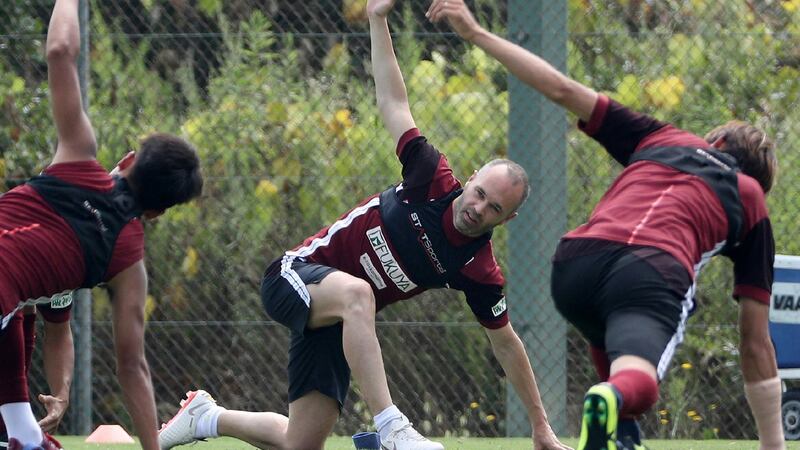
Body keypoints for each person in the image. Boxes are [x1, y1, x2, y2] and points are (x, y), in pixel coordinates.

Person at [158, 1, 570, 449]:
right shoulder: (429, 175)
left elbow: (506, 344)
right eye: (480, 193)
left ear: (507, 220)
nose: (478, 207)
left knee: (301, 443)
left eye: (493, 208)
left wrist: (540, 426)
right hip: (292, 277)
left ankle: (207, 416)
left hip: (338, 321)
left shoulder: (478, 269)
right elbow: (393, 100)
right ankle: (392, 427)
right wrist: (377, 18)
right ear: (470, 180)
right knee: (359, 292)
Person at [426, 1, 783, 449]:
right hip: (650, 270)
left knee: (611, 328)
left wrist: (475, 32)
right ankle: (613, 399)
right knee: (640, 379)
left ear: (716, 141)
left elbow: (558, 88)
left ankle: (623, 434)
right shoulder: (749, 199)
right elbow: (754, 343)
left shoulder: (663, 137)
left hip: (576, 263)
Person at [0, 0, 204, 448]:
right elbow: (133, 368)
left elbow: (59, 51)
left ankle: (21, 433)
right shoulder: (129, 263)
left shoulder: (79, 155)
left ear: (128, 160)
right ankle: (22, 435)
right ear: (156, 213)